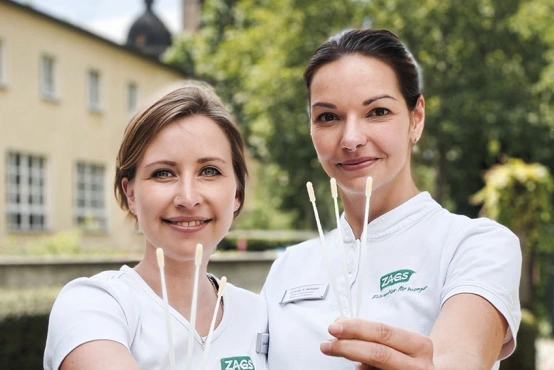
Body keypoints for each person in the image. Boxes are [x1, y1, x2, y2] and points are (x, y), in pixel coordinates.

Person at [262, 29, 521, 370]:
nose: (351, 139)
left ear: (416, 119)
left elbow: (461, 358)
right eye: (328, 117)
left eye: (378, 112)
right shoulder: (287, 269)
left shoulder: (475, 246)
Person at [44, 82, 268, 370]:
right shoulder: (94, 306)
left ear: (237, 193)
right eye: (163, 173)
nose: (188, 198)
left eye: (209, 171)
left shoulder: (258, 314)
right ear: (131, 194)